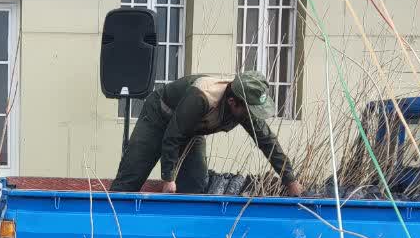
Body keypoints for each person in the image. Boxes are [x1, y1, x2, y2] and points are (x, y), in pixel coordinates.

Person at [109, 71, 305, 196]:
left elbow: (267, 142)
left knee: (194, 184)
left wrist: (290, 180)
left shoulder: (245, 105)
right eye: (250, 111)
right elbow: (172, 136)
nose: (252, 116)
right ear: (232, 102)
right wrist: (168, 178)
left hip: (190, 129)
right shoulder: (202, 96)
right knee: (131, 178)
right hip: (159, 116)